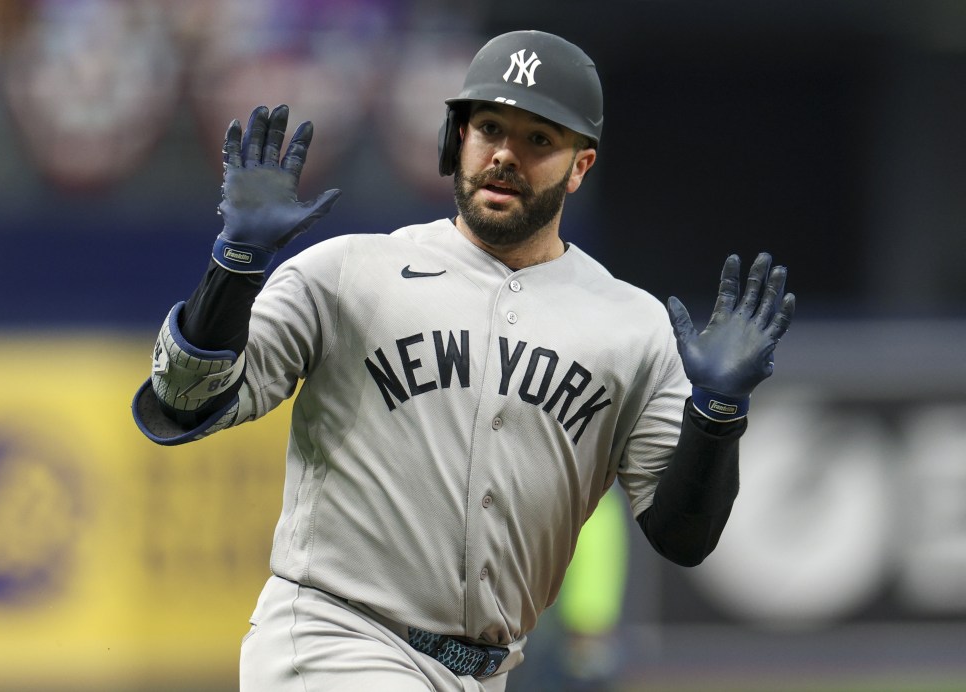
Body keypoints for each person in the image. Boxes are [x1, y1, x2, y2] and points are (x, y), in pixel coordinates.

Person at [132, 29, 794, 692]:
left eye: (539, 139)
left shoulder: (633, 327)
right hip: (334, 641)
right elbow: (182, 403)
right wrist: (235, 268)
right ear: (457, 138)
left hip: (484, 675)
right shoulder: (350, 274)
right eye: (488, 127)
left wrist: (716, 417)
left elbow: (684, 537)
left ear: (580, 165)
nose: (505, 154)